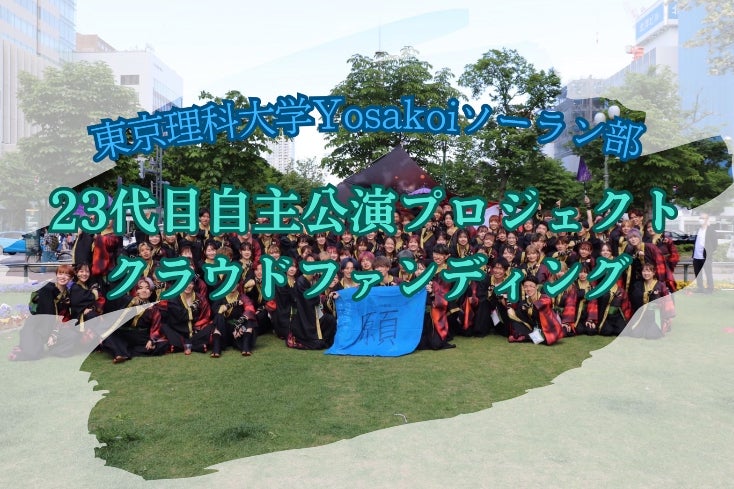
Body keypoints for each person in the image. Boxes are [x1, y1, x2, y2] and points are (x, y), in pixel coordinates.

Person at [101, 277, 168, 363]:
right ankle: (120, 354)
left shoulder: (153, 309)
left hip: (141, 336)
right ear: (137, 291)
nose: (144, 290)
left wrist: (152, 340)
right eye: (141, 288)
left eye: (147, 288)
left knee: (162, 345)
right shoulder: (128, 301)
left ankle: (126, 351)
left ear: (151, 292)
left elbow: (156, 327)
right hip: (125, 334)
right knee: (106, 333)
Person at [506, 275, 564, 345]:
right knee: (514, 313)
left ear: (536, 287)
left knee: (546, 340)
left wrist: (530, 306)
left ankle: (526, 337)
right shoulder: (525, 301)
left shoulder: (544, 297)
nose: (528, 289)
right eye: (525, 286)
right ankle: (527, 336)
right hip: (534, 328)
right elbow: (517, 310)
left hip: (547, 329)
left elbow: (547, 302)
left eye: (531, 286)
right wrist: (509, 307)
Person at [692, 212, 717, 293]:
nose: (701, 220)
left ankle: (710, 288)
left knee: (708, 273)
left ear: (707, 219)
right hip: (696, 256)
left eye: (703, 218)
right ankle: (700, 288)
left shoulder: (711, 230)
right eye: (700, 218)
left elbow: (715, 243)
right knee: (698, 273)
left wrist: (709, 252)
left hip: (706, 256)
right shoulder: (698, 229)